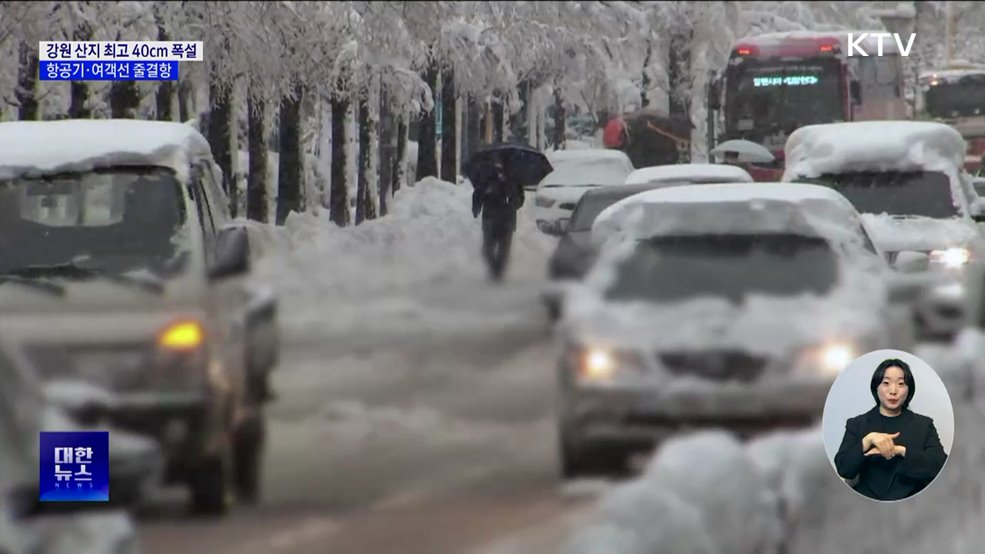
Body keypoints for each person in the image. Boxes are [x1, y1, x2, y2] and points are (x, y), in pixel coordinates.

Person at [834, 358, 948, 501]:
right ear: (876, 387)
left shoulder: (924, 425)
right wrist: (867, 441)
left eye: (901, 384)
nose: (893, 391)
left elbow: (940, 467)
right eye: (886, 383)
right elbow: (843, 468)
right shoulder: (857, 424)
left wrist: (900, 451)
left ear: (909, 389)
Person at [472, 151, 525, 281]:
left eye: (500, 160)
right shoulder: (486, 175)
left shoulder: (513, 177)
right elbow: (478, 192)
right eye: (495, 160)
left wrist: (513, 202)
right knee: (487, 248)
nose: (498, 163)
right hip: (490, 215)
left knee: (504, 248)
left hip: (507, 217)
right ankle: (494, 268)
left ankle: (499, 271)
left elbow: (520, 196)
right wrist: (476, 206)